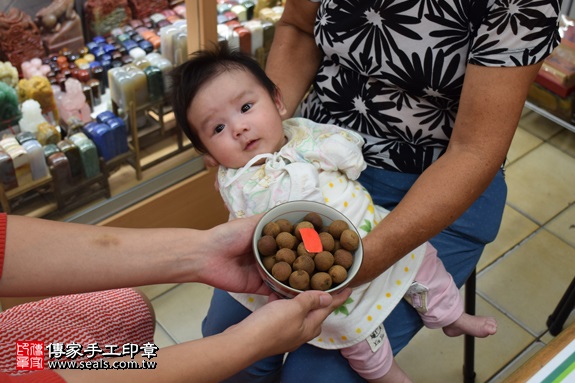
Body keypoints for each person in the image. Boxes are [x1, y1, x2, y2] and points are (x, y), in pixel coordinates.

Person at [195, 1, 562, 381]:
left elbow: (475, 151)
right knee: (227, 347)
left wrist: (363, 263)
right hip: (309, 159)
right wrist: (261, 130)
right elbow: (299, 27)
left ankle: (445, 314)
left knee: (316, 376)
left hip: (432, 184)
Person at [169, 45, 497, 383]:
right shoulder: (240, 182)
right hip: (318, 264)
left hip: (371, 224)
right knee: (349, 328)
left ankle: (451, 314)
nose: (239, 127)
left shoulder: (302, 133)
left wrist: (345, 155)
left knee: (422, 259)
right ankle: (387, 374)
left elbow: (342, 147)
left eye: (247, 107)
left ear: (278, 102)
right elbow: (263, 222)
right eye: (218, 129)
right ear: (208, 154)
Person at [0, 213, 351, 383]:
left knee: (128, 308)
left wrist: (198, 253)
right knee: (93, 365)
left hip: (18, 352)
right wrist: (241, 344)